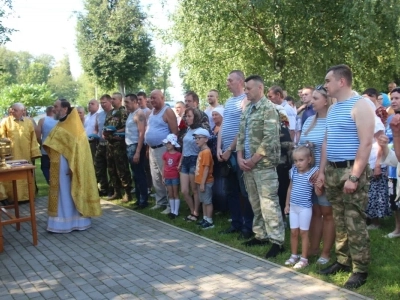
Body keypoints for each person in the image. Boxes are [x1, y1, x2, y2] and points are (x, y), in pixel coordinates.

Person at [317, 64, 375, 289]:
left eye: (328, 81)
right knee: (339, 219)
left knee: (354, 220)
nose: (325, 85)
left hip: (351, 171)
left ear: (341, 82)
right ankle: (343, 260)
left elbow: (366, 143)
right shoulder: (332, 108)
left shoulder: (361, 104)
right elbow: (326, 142)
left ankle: (360, 269)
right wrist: (322, 172)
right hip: (332, 170)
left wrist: (354, 177)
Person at [237, 75, 285, 258]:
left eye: (248, 88)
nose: (246, 91)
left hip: (263, 165)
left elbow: (270, 139)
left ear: (260, 88)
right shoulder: (248, 108)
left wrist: (253, 159)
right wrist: (241, 157)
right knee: (255, 202)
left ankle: (277, 241)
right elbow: (241, 135)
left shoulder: (269, 109)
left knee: (268, 203)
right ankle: (260, 234)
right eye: (245, 88)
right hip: (248, 165)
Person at [43, 99, 101, 233]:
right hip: (58, 164)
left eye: (56, 107)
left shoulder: (73, 125)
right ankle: (60, 223)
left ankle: (75, 222)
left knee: (69, 191)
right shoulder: (61, 123)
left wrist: (73, 166)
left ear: (64, 109)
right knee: (61, 192)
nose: (54, 109)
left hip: (68, 166)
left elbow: (78, 150)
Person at [300, 85, 335, 265]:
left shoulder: (333, 120)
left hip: (327, 173)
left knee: (327, 212)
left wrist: (321, 174)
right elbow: (299, 147)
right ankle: (313, 248)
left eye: (315, 99)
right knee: (314, 211)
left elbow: (332, 149)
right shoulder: (308, 121)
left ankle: (326, 252)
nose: (311, 102)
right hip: (309, 175)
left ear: (326, 100)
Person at [217, 70, 253, 240]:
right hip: (225, 152)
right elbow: (223, 126)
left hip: (238, 152)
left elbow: (243, 128)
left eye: (230, 80)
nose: (227, 83)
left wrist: (230, 149)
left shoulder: (244, 101)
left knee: (244, 190)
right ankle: (235, 223)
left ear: (240, 81)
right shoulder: (229, 101)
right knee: (231, 190)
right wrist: (219, 147)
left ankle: (248, 226)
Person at [284, 144, 319, 269]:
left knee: (304, 233)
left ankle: (304, 258)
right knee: (293, 232)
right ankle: (294, 255)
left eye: (301, 160)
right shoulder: (293, 171)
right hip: (293, 207)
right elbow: (290, 188)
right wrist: (287, 204)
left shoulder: (313, 172)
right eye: (295, 161)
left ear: (309, 159)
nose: (298, 163)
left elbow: (318, 187)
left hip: (305, 208)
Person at [144, 89, 178, 213]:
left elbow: (175, 132)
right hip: (152, 149)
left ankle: (170, 205)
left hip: (164, 149)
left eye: (155, 98)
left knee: (166, 177)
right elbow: (150, 130)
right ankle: (160, 201)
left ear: (162, 98)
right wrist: (148, 147)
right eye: (151, 98)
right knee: (156, 177)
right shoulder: (151, 112)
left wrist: (170, 151)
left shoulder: (168, 111)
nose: (152, 100)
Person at [0, 103, 41, 201]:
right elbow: (1, 137)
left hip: (26, 155)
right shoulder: (5, 121)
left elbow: (33, 138)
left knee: (26, 174)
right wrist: (4, 152)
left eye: (15, 110)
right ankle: (13, 198)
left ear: (22, 111)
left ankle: (28, 197)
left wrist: (34, 153)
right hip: (12, 155)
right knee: (13, 175)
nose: (12, 111)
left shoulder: (29, 122)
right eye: (12, 109)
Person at [377, 87, 400, 238]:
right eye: (392, 98)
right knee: (394, 199)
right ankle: (398, 228)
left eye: (397, 98)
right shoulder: (392, 119)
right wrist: (384, 144)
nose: (393, 101)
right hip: (394, 165)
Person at [104, 92, 132, 202]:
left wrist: (114, 131)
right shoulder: (110, 112)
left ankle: (127, 193)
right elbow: (106, 125)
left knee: (122, 170)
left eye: (114, 99)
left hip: (119, 145)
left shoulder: (123, 112)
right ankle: (117, 192)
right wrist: (105, 132)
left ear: (120, 100)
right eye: (111, 99)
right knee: (111, 169)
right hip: (109, 145)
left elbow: (126, 127)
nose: (112, 100)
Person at [124, 94, 148, 207]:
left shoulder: (139, 114)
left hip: (135, 146)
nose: (125, 104)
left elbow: (141, 133)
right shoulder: (130, 114)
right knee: (135, 174)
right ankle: (138, 199)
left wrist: (138, 151)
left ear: (134, 102)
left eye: (127, 102)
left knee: (139, 174)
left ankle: (143, 201)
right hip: (130, 146)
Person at [179, 108, 203, 221]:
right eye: (186, 116)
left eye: (189, 116)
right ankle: (192, 209)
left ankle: (196, 213)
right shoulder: (188, 129)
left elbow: (202, 148)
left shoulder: (200, 131)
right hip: (185, 161)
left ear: (196, 117)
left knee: (194, 189)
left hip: (194, 160)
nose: (186, 118)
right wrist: (180, 162)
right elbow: (184, 148)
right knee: (184, 190)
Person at [193, 128, 214, 229]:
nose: (196, 140)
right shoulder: (202, 151)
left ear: (206, 139)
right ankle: (205, 218)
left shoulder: (206, 152)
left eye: (199, 138)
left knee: (207, 201)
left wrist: (202, 183)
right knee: (203, 201)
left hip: (205, 182)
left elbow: (206, 169)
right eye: (195, 138)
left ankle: (209, 221)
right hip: (200, 181)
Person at [94, 94, 113, 197]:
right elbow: (96, 128)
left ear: (110, 101)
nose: (102, 105)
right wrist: (95, 135)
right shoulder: (99, 114)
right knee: (99, 166)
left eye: (104, 102)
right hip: (100, 143)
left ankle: (112, 188)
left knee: (111, 167)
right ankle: (104, 188)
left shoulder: (114, 113)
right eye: (101, 103)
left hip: (110, 143)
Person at [35, 106, 58, 184]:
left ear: (46, 111)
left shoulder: (42, 120)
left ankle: (50, 181)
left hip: (45, 147)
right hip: (57, 147)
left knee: (45, 167)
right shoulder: (59, 121)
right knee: (56, 167)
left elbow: (37, 135)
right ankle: (56, 182)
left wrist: (41, 143)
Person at [162, 134, 182, 219]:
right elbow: (164, 166)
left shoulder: (178, 154)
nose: (168, 145)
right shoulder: (165, 154)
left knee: (175, 193)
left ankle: (176, 211)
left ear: (173, 144)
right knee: (170, 194)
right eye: (167, 143)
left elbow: (179, 166)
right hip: (167, 176)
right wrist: (163, 176)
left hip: (175, 176)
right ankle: (172, 210)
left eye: (169, 143)